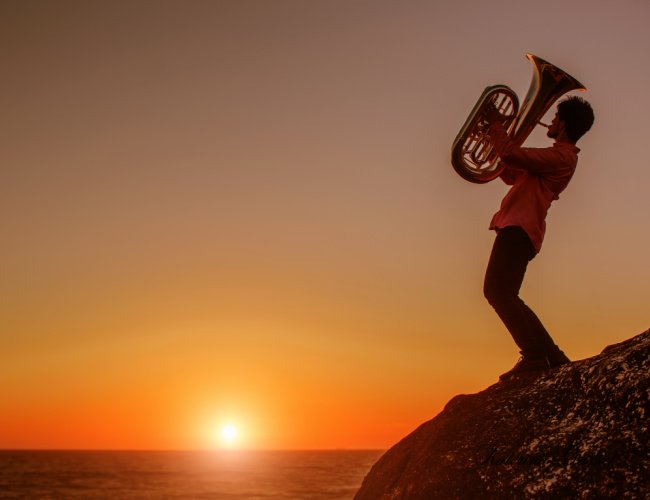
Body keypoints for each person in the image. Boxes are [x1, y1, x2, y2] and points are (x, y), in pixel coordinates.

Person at [483, 96, 594, 381]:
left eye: (556, 117)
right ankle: (552, 357)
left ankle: (534, 355)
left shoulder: (562, 157)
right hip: (517, 226)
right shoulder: (555, 157)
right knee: (505, 293)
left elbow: (510, 155)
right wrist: (491, 138)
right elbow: (509, 173)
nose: (551, 120)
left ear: (564, 124)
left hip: (520, 227)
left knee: (497, 292)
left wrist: (496, 126)